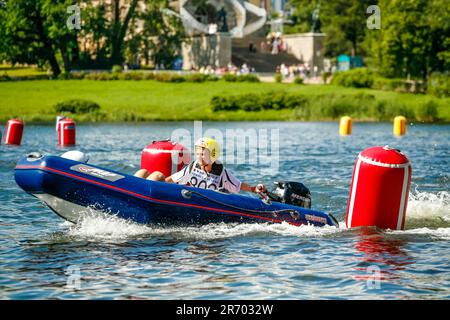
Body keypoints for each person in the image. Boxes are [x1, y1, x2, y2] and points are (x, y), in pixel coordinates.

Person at [135, 137, 267, 195]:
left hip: (202, 203)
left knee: (157, 176)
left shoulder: (220, 172)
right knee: (148, 173)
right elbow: (172, 180)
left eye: (202, 154)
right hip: (181, 196)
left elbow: (238, 185)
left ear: (213, 155)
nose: (199, 157)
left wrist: (255, 189)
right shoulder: (193, 166)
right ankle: (136, 194)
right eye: (197, 153)